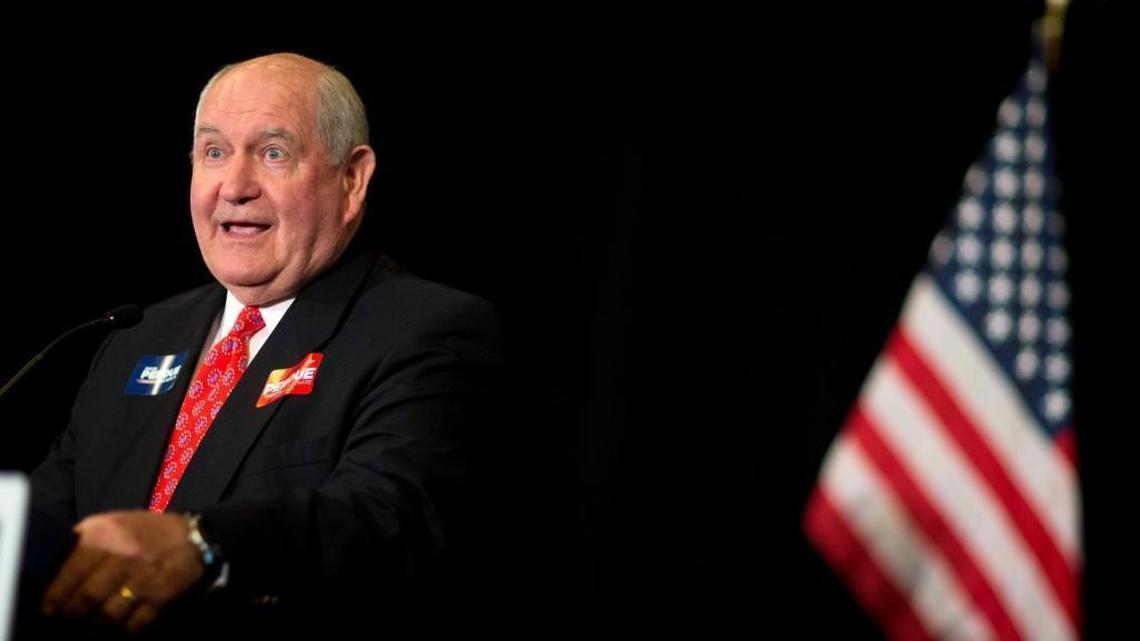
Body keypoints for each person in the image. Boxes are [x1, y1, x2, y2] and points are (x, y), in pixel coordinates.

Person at [24, 53, 501, 637]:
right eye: (214, 152)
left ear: (352, 179)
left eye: (274, 153)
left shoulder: (423, 329)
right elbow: (47, 519)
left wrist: (201, 543)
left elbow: (383, 517)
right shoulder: (138, 336)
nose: (235, 186)